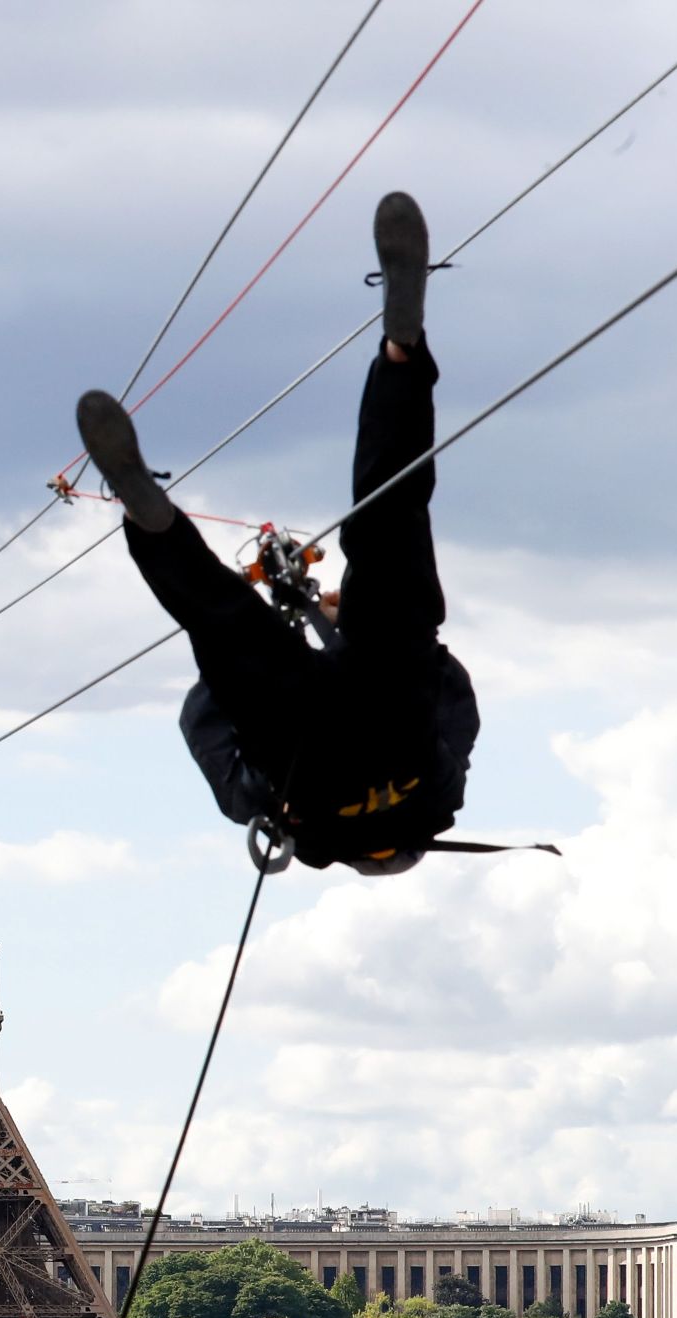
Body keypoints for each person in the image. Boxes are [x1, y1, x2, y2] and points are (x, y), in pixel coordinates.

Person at [76, 191, 483, 875]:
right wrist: (270, 640)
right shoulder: (273, 819)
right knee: (218, 617)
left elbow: (452, 688)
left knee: (392, 525)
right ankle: (154, 524)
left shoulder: (446, 797)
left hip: (396, 712)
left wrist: (356, 626)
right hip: (300, 754)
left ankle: (401, 355)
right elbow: (204, 718)